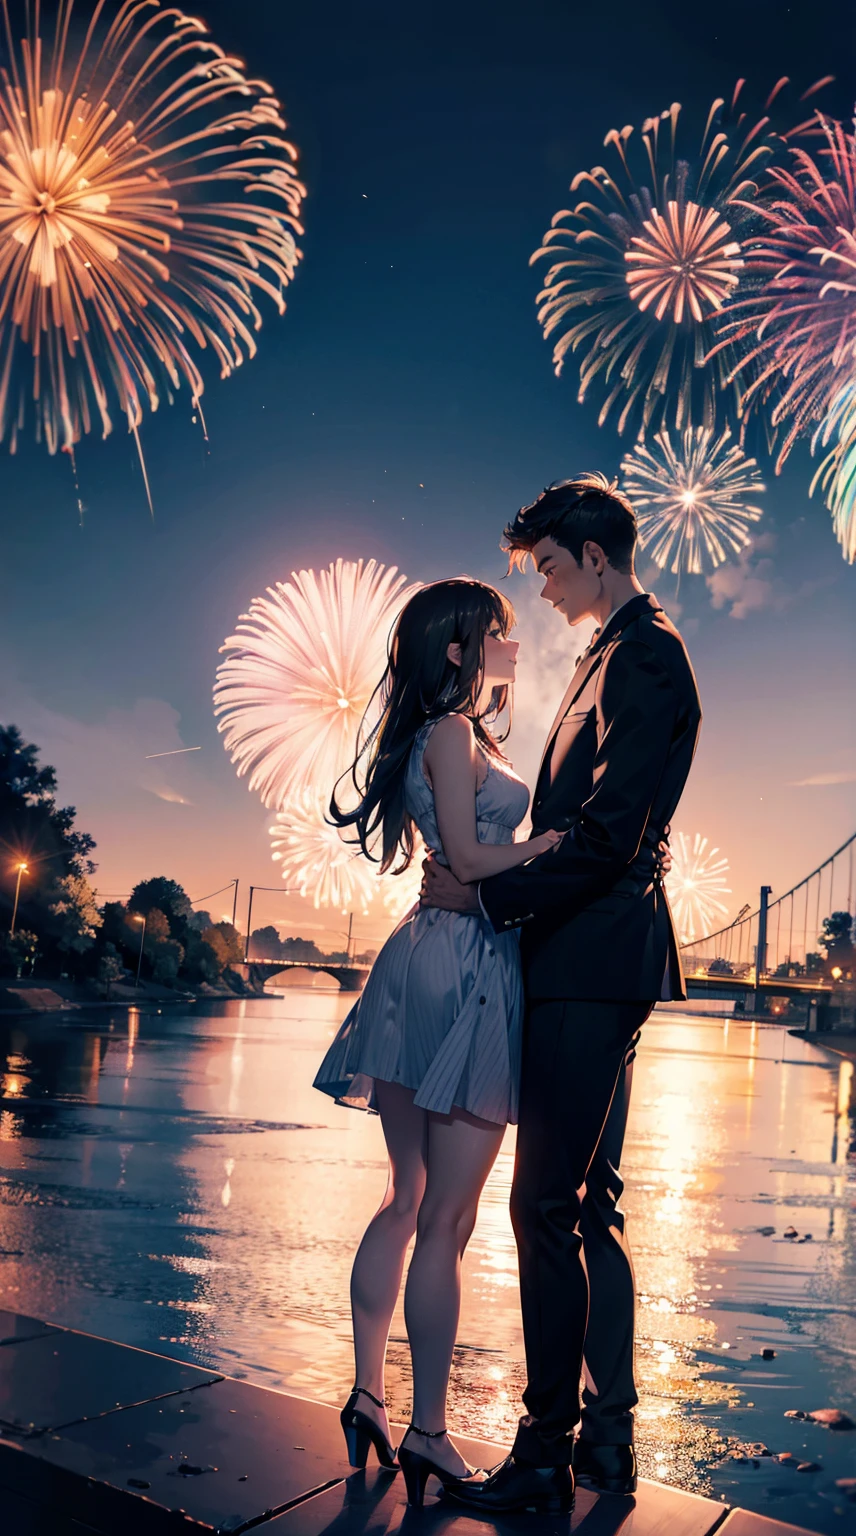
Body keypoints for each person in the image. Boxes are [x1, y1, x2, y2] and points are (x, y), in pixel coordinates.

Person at [422, 474, 702, 1515]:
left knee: (540, 1203)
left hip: (589, 961)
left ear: (592, 553)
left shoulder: (644, 656)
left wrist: (486, 899)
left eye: (545, 568)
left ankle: (544, 1452)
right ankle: (607, 1446)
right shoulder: (611, 654)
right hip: (594, 956)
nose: (537, 591)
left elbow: (605, 836)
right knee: (592, 1207)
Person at [313, 578, 565, 1507]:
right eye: (497, 635)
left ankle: (369, 1395)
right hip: (464, 964)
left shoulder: (441, 733)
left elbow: (448, 858)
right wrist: (558, 845)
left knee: (403, 1195)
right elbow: (465, 860)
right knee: (448, 1224)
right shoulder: (455, 734)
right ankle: (426, 1431)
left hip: (418, 959)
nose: (512, 644)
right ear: (458, 650)